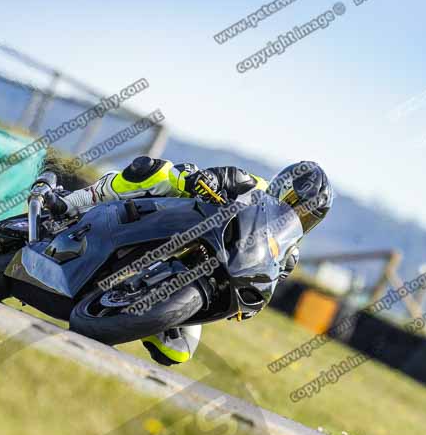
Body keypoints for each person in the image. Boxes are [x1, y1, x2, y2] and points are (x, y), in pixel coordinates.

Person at [43, 156, 333, 366]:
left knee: (176, 350)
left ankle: (129, 302)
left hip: (201, 267)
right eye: (296, 201)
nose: (297, 213)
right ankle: (72, 202)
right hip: (178, 219)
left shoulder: (287, 249)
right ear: (282, 186)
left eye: (307, 215)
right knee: (158, 172)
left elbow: (266, 278)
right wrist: (208, 180)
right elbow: (222, 176)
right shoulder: (252, 186)